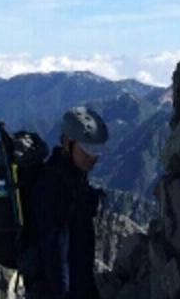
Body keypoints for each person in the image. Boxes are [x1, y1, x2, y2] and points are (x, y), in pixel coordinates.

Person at [20, 106, 109, 299]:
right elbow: (55, 254)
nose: (93, 157)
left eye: (97, 150)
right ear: (68, 143)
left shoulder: (74, 176)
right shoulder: (53, 186)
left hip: (77, 283)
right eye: (87, 149)